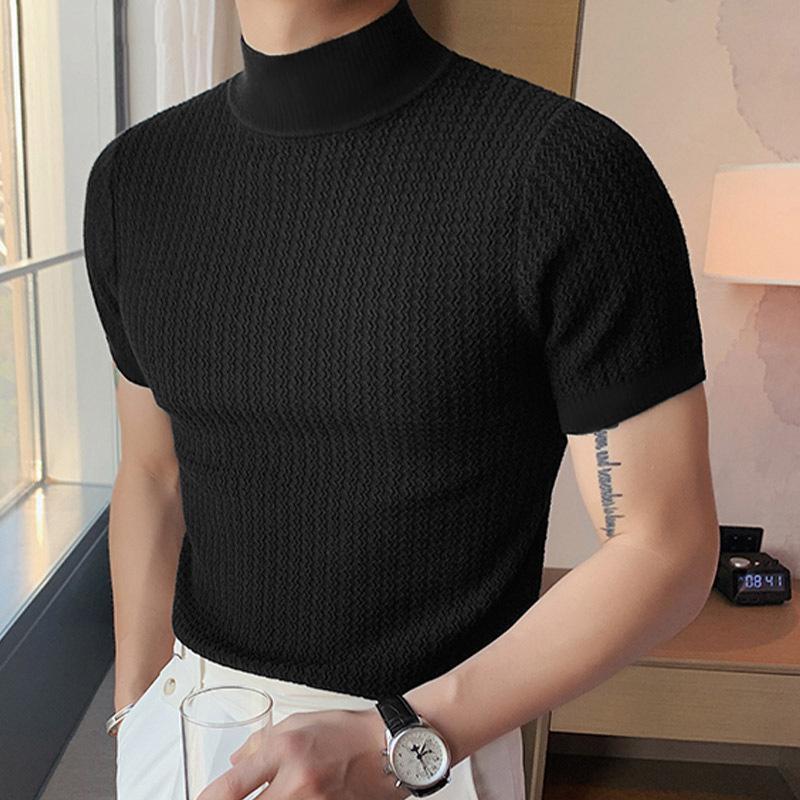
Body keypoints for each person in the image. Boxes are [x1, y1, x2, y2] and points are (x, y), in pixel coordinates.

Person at [82, 1, 720, 798]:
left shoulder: (567, 172)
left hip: (425, 744)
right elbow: (153, 470)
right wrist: (135, 714)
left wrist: (404, 736)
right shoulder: (134, 179)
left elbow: (665, 546)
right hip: (188, 731)